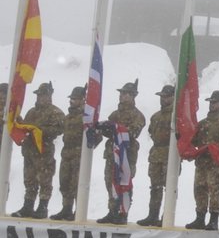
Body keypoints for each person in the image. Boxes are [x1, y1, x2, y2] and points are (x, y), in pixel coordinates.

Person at [12, 82, 65, 219]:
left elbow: (59, 130)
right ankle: (28, 206)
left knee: (45, 180)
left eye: (43, 95)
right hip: (29, 151)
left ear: (49, 96)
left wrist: (40, 131)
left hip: (43, 151)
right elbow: (27, 127)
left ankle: (43, 207)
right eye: (39, 95)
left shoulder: (56, 112)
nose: (40, 98)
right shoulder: (32, 111)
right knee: (29, 180)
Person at [97, 81, 146, 225]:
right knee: (110, 182)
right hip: (112, 153)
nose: (122, 96)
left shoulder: (138, 115)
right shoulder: (115, 114)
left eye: (125, 94)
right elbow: (109, 131)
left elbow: (132, 132)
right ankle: (112, 211)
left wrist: (117, 128)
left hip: (126, 155)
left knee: (124, 184)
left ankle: (122, 212)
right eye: (121, 93)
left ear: (133, 96)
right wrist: (105, 128)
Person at [187, 91, 219, 230]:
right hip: (202, 162)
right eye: (210, 102)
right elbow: (194, 140)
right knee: (199, 189)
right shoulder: (202, 124)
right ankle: (200, 218)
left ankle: (213, 220)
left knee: (214, 190)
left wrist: (213, 147)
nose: (211, 105)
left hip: (215, 164)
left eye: (214, 102)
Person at [136, 85, 174, 226]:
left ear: (172, 97)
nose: (163, 99)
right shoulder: (156, 116)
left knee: (169, 187)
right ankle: (153, 215)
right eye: (161, 96)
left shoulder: (176, 116)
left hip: (170, 156)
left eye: (166, 96)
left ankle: (167, 216)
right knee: (155, 187)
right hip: (156, 155)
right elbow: (152, 133)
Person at [50, 86, 86, 221]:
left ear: (83, 100)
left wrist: (84, 150)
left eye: (75, 99)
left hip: (79, 154)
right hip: (66, 154)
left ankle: (78, 210)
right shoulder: (67, 117)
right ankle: (66, 208)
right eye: (71, 98)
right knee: (64, 181)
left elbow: (95, 137)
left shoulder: (86, 117)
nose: (72, 101)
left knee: (76, 183)